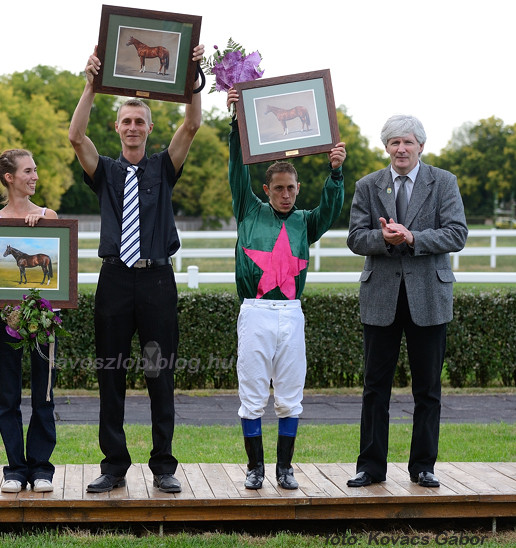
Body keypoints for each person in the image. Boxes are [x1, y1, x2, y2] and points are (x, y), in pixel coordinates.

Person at [68, 43, 205, 494]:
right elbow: (75, 137)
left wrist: (193, 77)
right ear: (117, 126)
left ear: (148, 128)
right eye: (126, 121)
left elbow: (192, 123)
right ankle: (114, 466)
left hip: (156, 280)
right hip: (114, 280)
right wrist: (90, 86)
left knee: (158, 373)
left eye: (139, 121)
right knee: (111, 375)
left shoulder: (164, 167)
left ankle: (164, 465)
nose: (132, 127)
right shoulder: (105, 171)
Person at [225, 89, 346, 490]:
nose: (286, 194)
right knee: (253, 393)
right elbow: (237, 169)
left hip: (291, 313)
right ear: (266, 188)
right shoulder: (248, 208)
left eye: (291, 188)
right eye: (278, 188)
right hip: (255, 312)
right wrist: (237, 120)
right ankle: (255, 467)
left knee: (291, 394)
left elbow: (330, 209)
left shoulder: (305, 222)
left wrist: (336, 172)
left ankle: (285, 468)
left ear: (298, 188)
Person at [346, 115, 468, 489]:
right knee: (374, 387)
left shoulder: (443, 182)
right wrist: (385, 240)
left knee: (428, 389)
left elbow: (457, 233)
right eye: (394, 142)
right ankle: (370, 467)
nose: (401, 149)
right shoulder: (368, 185)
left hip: (428, 296)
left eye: (408, 142)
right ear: (386, 147)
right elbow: (354, 237)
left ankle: (423, 467)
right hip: (381, 297)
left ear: (421, 147)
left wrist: (412, 238)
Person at [0, 148, 59, 494]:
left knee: (43, 394)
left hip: (45, 320)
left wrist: (41, 229)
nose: (35, 176)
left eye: (36, 170)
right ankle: (15, 469)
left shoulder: (49, 215)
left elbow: (60, 269)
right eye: (28, 171)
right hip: (6, 320)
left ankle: (41, 467)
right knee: (8, 395)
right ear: (9, 178)